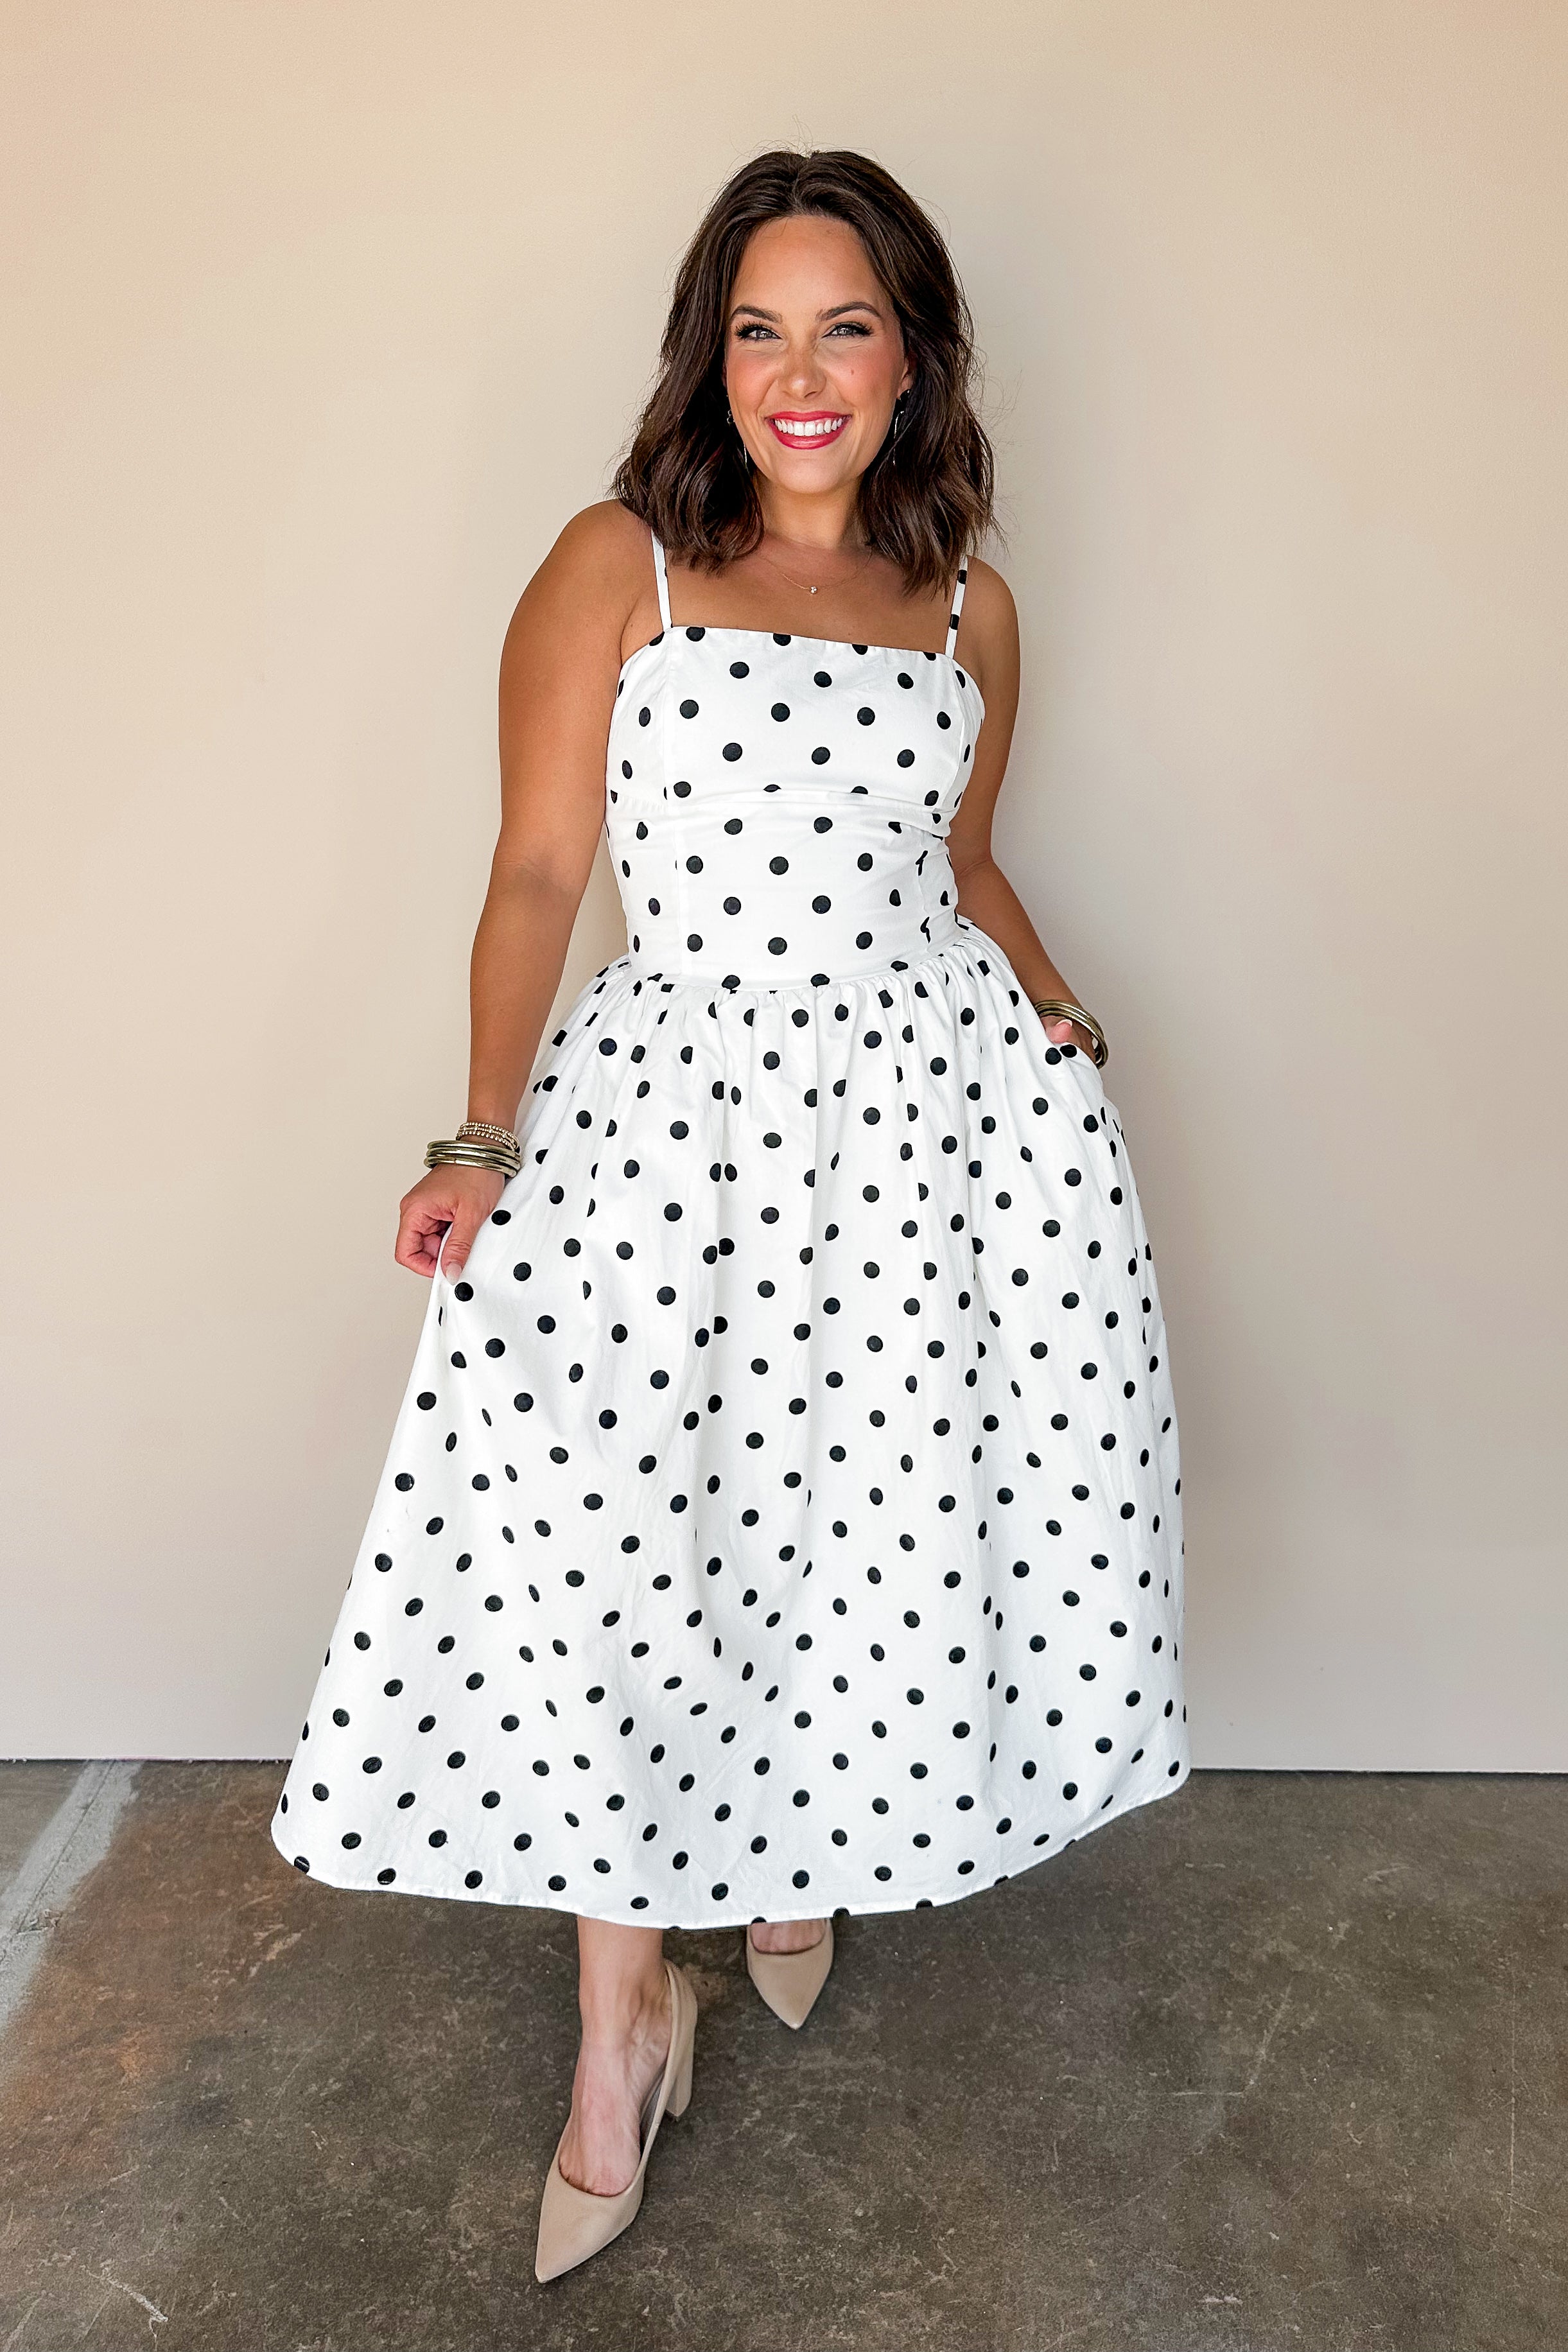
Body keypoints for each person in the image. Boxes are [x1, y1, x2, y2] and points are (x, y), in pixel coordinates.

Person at [270, 146, 1189, 2281]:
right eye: (758, 330)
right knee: (637, 1549)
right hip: (676, 1124)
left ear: (910, 360)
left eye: (844, 327)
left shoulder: (967, 608)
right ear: (711, 360)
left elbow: (962, 865)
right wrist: (478, 1138)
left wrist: (1056, 1012)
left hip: (925, 1131)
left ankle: (797, 1865)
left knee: (858, 1511)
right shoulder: (624, 565)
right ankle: (625, 2028)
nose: (800, 373)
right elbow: (537, 872)